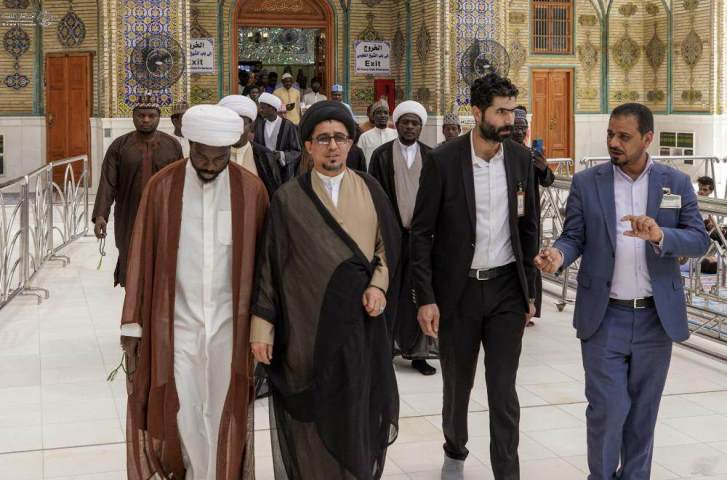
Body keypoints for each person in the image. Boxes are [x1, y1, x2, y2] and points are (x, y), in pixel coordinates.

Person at [535, 103, 709, 480]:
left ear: (647, 139)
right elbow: (573, 236)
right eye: (610, 134)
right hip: (605, 317)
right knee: (608, 411)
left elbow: (699, 240)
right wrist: (558, 255)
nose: (614, 142)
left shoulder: (675, 183)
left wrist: (660, 235)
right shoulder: (587, 182)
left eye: (624, 136)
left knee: (643, 416)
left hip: (655, 319)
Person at [250, 100, 401, 480]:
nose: (332, 146)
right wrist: (262, 328)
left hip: (360, 325)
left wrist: (378, 286)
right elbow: (270, 266)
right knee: (314, 416)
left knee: (357, 407)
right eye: (323, 139)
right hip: (307, 326)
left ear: (351, 143)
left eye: (340, 137)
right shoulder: (288, 198)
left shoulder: (370, 189)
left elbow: (386, 248)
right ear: (308, 146)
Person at [121, 104, 269, 480]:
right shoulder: (162, 187)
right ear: (190, 145)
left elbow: (266, 265)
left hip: (230, 324)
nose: (209, 165)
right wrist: (133, 322)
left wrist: (265, 325)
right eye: (202, 157)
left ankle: (220, 471)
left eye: (219, 158)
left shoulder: (251, 191)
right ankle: (191, 471)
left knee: (223, 403)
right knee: (182, 404)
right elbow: (141, 253)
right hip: (176, 321)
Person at [411, 73, 539, 480]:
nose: (509, 120)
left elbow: (529, 229)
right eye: (500, 112)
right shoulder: (444, 160)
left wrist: (530, 293)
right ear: (477, 112)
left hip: (506, 291)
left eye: (512, 112)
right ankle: (455, 449)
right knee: (458, 385)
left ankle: (507, 472)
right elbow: (421, 233)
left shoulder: (519, 159)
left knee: (503, 390)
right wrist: (426, 297)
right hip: (458, 292)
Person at [368, 100, 436, 376]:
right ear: (396, 124)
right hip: (391, 237)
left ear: (421, 127)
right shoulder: (381, 155)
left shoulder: (431, 156)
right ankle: (385, 350)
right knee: (390, 291)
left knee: (421, 291)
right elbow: (373, 196)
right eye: (405, 122)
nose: (410, 127)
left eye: (415, 123)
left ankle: (419, 353)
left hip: (422, 238)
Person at [92, 95, 182, 287]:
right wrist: (101, 215)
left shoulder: (172, 146)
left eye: (151, 115)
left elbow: (181, 185)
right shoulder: (119, 146)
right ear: (133, 116)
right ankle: (133, 299)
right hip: (129, 216)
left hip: (164, 216)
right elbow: (108, 183)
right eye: (141, 115)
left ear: (159, 117)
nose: (146, 120)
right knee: (131, 259)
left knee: (162, 260)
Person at [511, 106, 555, 326]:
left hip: (529, 218)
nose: (519, 132)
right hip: (509, 218)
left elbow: (548, 180)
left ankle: (529, 307)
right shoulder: (504, 154)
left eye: (523, 128)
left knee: (530, 261)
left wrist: (544, 167)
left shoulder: (532, 155)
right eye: (516, 127)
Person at [219, 94, 282, 197]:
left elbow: (274, 195)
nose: (236, 130)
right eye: (230, 124)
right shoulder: (215, 154)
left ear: (251, 125)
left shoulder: (265, 155)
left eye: (241, 124)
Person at [254, 92, 302, 182]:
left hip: (284, 174)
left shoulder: (288, 126)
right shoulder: (259, 126)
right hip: (265, 175)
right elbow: (256, 151)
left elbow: (297, 151)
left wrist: (281, 155)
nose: (260, 110)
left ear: (272, 108)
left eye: (263, 107)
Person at [358, 100, 398, 168]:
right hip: (371, 172)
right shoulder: (365, 137)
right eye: (379, 113)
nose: (382, 115)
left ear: (388, 116)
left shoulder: (396, 134)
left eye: (385, 113)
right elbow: (360, 159)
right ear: (373, 116)